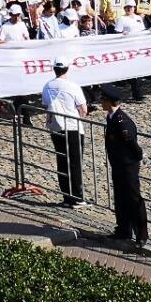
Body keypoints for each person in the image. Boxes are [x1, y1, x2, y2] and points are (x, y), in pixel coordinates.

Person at [100, 83, 147, 248]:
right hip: (118, 165)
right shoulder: (112, 117)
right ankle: (123, 229)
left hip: (127, 166)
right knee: (120, 198)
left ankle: (141, 235)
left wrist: (140, 156)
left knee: (133, 199)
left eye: (103, 99)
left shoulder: (121, 122)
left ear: (109, 101)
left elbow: (131, 144)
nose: (101, 102)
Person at [41, 57, 88, 206]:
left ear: (54, 69)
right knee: (75, 162)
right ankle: (77, 197)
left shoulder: (47, 86)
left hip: (56, 127)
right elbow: (83, 109)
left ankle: (67, 197)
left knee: (62, 161)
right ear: (67, 68)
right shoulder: (73, 86)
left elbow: (45, 105)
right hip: (73, 127)